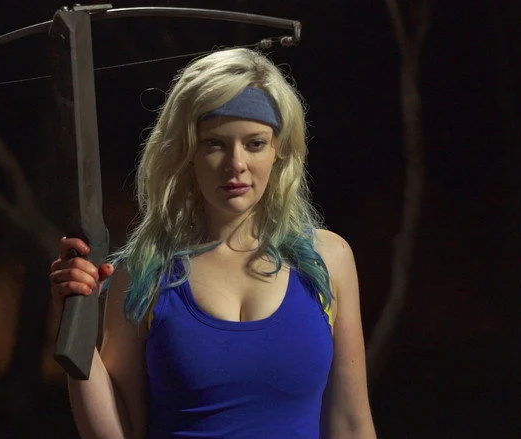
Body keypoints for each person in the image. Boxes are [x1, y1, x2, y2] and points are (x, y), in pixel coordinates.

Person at [49, 47, 376, 439]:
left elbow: (352, 423)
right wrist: (75, 321)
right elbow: (117, 433)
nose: (236, 164)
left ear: (278, 150)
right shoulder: (144, 272)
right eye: (215, 144)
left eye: (255, 143)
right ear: (187, 152)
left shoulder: (327, 260)